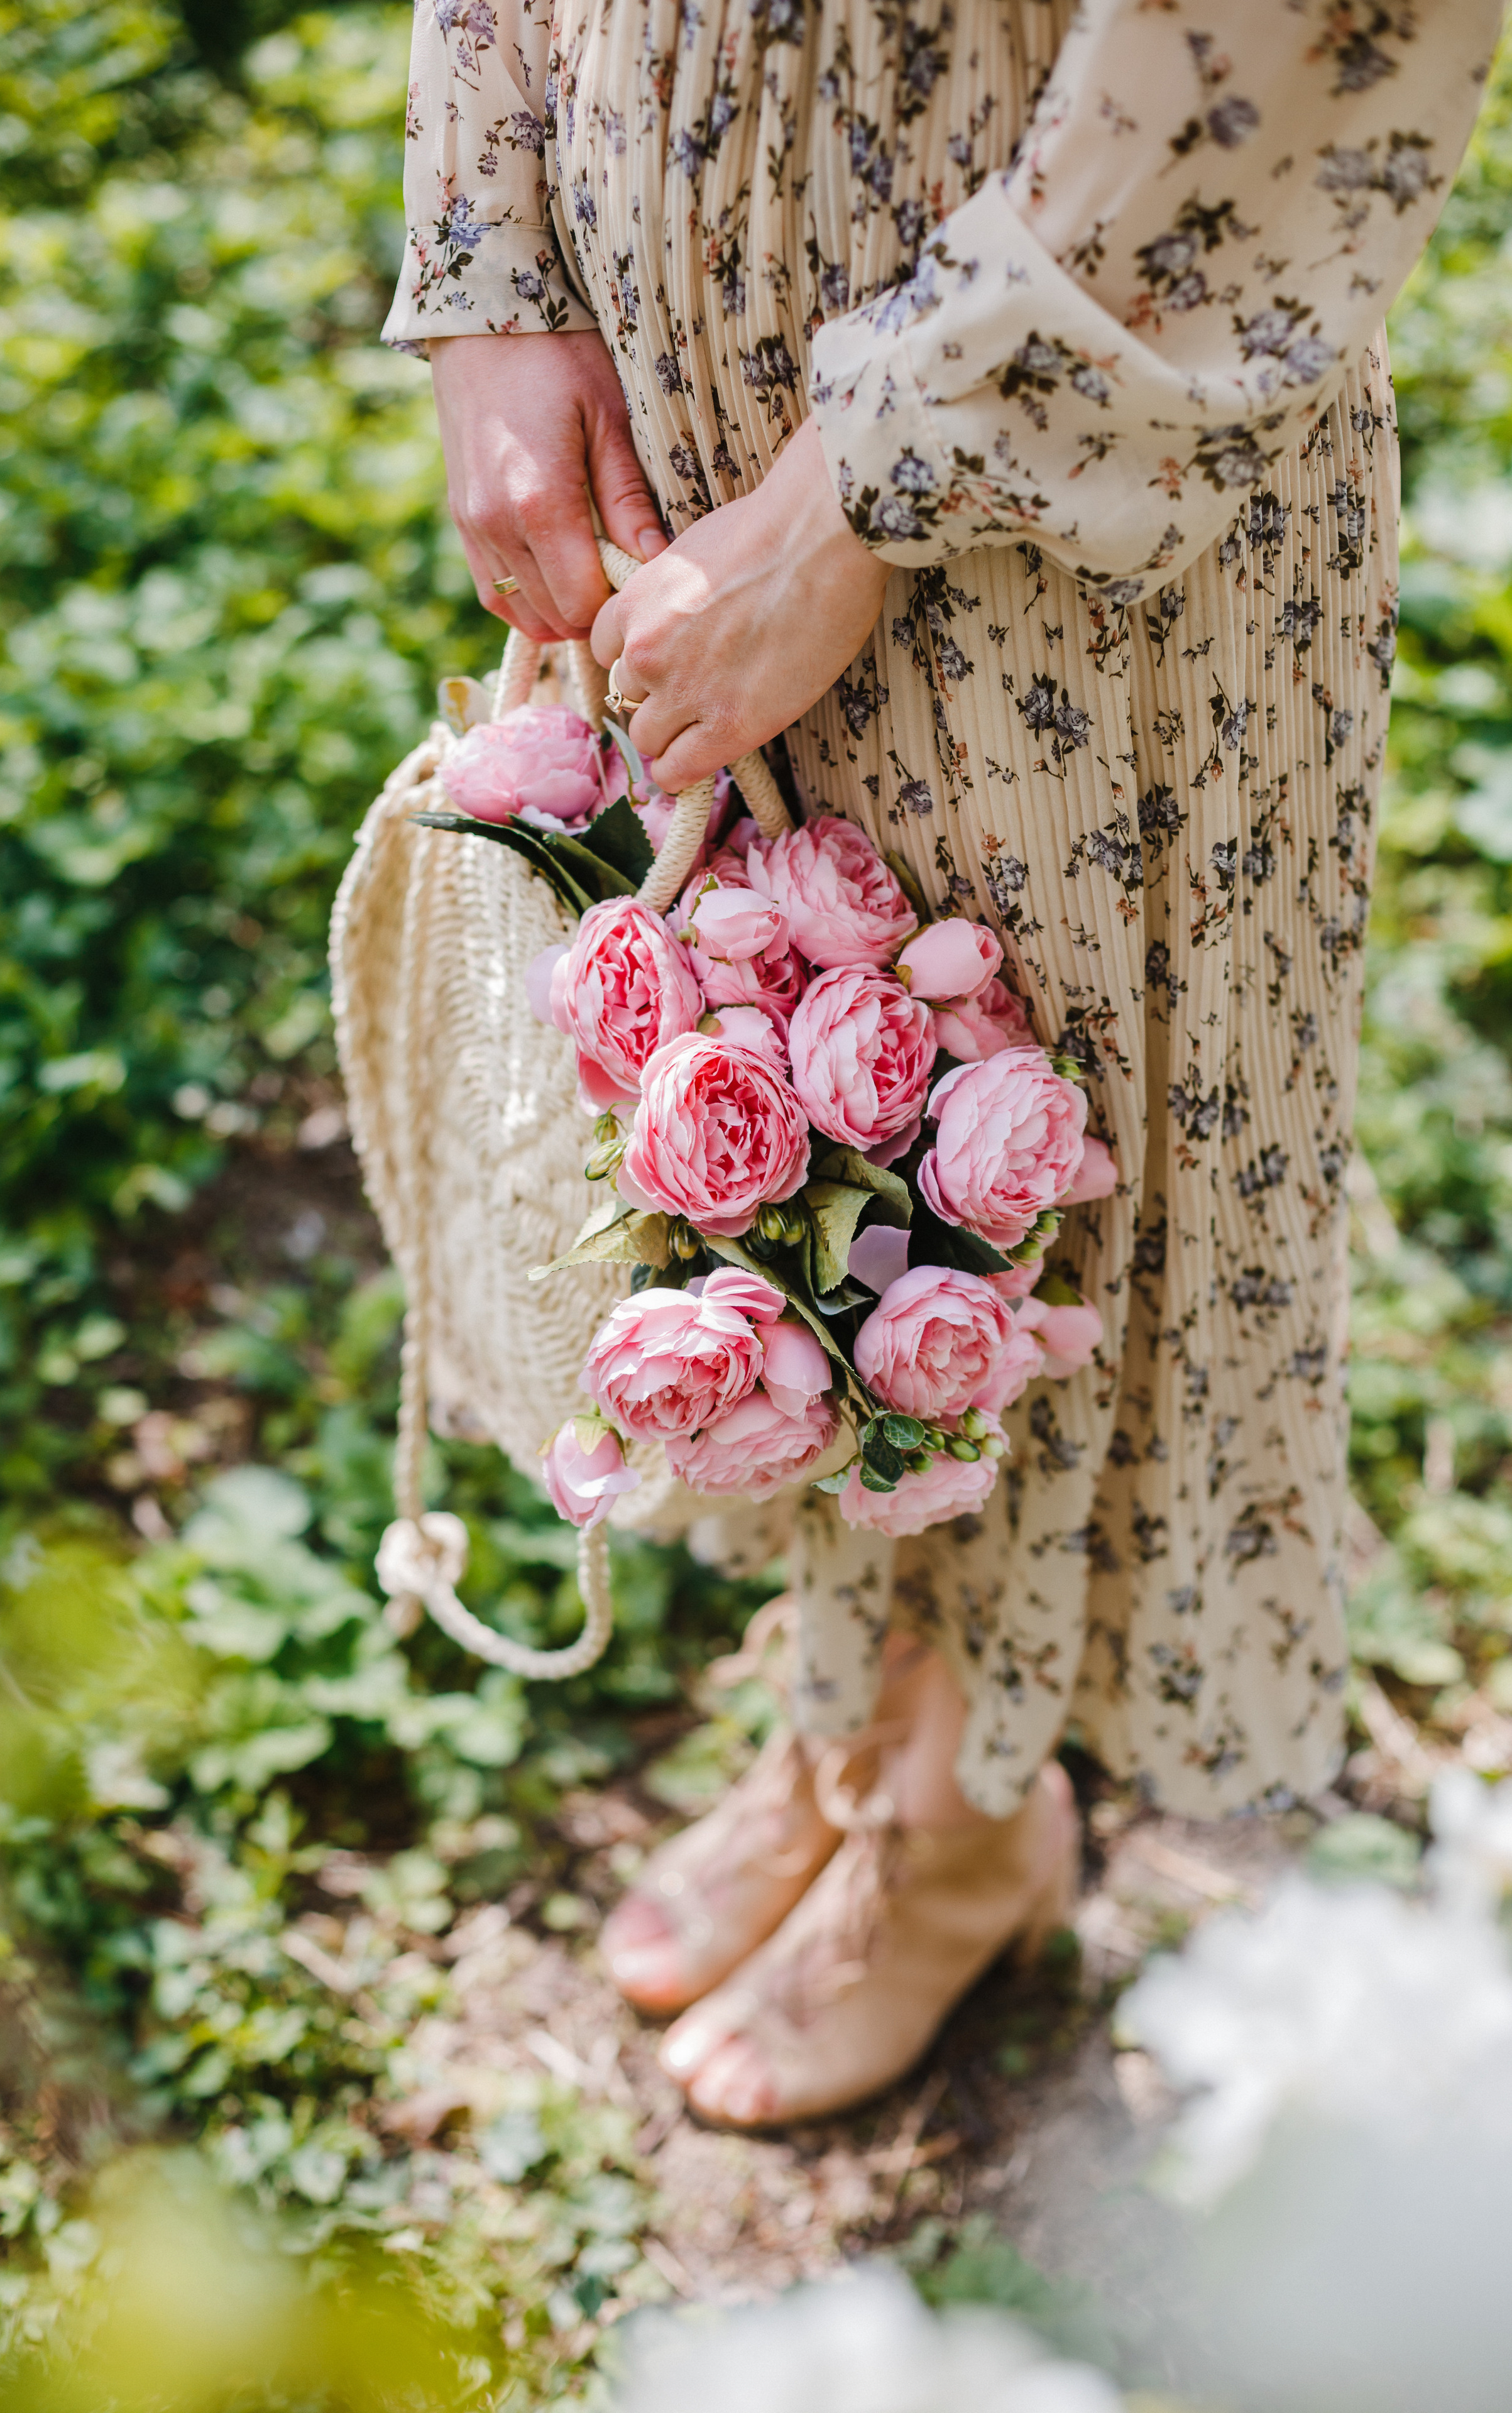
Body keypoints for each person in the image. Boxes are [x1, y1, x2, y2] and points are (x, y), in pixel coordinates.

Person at [385, 0, 1500, 2130]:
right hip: (674, 408)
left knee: (1032, 1198)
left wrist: (861, 491)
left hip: (1071, 503)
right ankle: (853, 1721)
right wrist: (498, 261)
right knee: (765, 1158)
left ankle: (978, 1821)